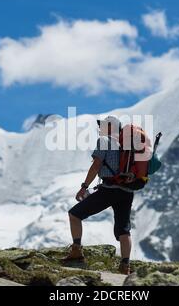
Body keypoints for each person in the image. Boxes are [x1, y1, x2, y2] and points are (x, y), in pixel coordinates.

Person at [63, 115, 136, 275]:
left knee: (75, 214)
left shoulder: (104, 141)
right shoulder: (128, 145)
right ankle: (125, 266)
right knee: (124, 229)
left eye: (103, 125)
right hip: (127, 191)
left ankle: (76, 252)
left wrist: (84, 187)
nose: (100, 128)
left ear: (111, 127)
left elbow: (96, 165)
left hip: (109, 188)